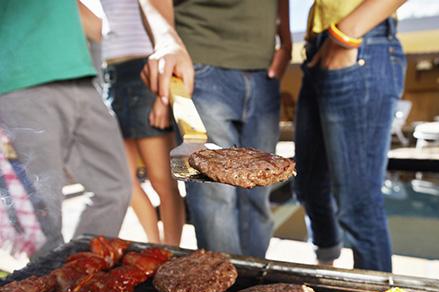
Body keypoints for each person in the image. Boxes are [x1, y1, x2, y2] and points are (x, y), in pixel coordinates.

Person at [0, 0, 192, 257]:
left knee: (116, 187)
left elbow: (97, 27)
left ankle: (76, 272)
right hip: (22, 83)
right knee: (44, 210)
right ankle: (50, 286)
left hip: (83, 79)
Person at [151, 0, 291, 257]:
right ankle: (223, 288)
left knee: (259, 196)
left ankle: (252, 287)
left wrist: (286, 40)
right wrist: (166, 39)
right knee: (214, 197)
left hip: (264, 69)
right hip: (201, 63)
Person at [294, 0, 407, 271]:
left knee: (359, 204)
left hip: (359, 42)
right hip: (319, 49)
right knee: (309, 186)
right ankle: (325, 269)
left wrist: (345, 34)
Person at [83, 0, 186, 245]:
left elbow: (164, 24)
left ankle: (171, 254)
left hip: (144, 70)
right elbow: (97, 28)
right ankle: (154, 246)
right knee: (124, 182)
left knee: (161, 180)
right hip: (111, 78)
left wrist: (162, 96)